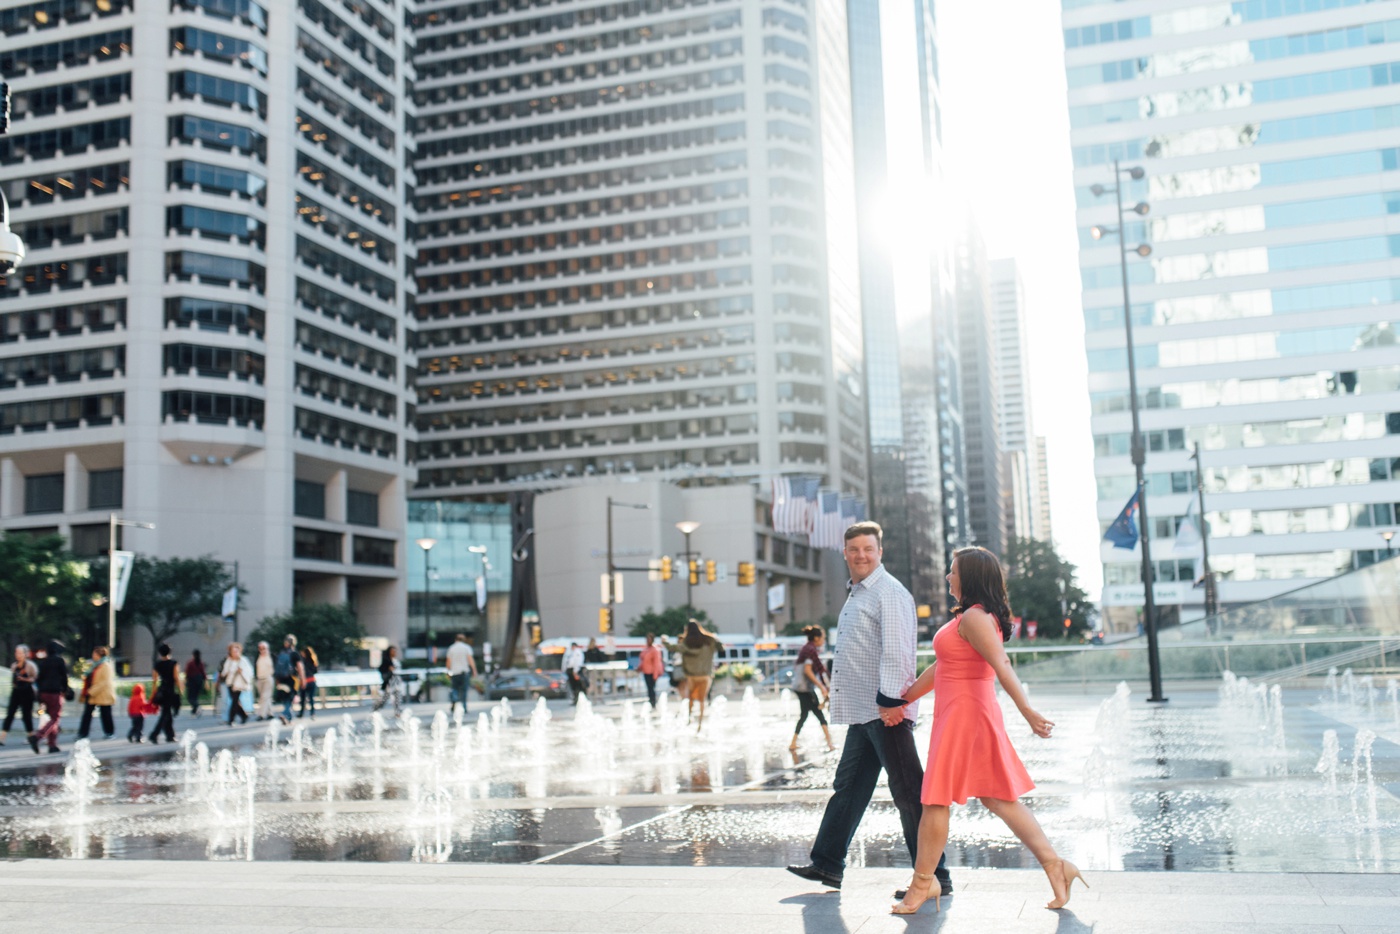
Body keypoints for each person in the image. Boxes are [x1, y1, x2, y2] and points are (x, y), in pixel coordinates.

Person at [891, 547, 1083, 915]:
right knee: (997, 798)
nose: (948, 577)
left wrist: (1027, 711)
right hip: (963, 715)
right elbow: (944, 665)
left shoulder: (975, 618)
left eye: (953, 572)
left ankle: (922, 883)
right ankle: (1055, 866)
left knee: (936, 799)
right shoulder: (969, 618)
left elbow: (1002, 664)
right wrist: (905, 697)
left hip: (967, 717)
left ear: (971, 578)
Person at [787, 522, 950, 897]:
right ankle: (827, 863)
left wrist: (892, 703)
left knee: (909, 793)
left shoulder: (888, 593)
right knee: (848, 788)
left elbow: (898, 653)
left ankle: (935, 877)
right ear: (844, 553)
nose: (861, 555)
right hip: (864, 711)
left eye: (868, 549)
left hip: (884, 710)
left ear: (880, 552)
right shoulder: (858, 593)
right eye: (854, 549)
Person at [790, 625, 835, 753]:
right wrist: (821, 687)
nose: (824, 641)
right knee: (818, 714)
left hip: (801, 687)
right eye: (823, 638)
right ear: (816, 638)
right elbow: (808, 671)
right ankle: (830, 743)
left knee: (805, 714)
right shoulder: (810, 650)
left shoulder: (808, 649)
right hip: (804, 688)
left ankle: (793, 743)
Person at [677, 619, 723, 731]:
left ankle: (689, 717)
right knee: (702, 699)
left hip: (692, 674)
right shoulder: (708, 640)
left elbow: (677, 649)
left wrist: (665, 642)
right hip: (705, 675)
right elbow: (721, 648)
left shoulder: (686, 642)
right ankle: (700, 723)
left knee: (691, 697)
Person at [31, 641, 70, 754]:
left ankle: (52, 745)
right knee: (55, 718)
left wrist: (38, 694)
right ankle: (38, 737)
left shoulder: (43, 662)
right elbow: (64, 676)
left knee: (51, 718)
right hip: (55, 692)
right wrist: (65, 689)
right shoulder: (59, 661)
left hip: (43, 693)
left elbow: (38, 679)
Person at [0, 644, 38, 745]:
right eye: (17, 653)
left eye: (20, 653)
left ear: (26, 654)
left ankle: (31, 736)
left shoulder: (30, 666)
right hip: (16, 691)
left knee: (26, 715)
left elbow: (34, 679)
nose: (18, 655)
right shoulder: (14, 665)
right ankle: (2, 737)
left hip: (27, 692)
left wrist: (24, 679)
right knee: (10, 714)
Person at [77, 646, 116, 740]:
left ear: (99, 655)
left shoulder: (105, 665)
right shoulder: (95, 665)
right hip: (93, 693)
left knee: (106, 714)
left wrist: (91, 691)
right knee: (87, 714)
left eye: (94, 653)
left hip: (102, 693)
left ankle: (109, 732)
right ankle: (82, 734)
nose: (93, 655)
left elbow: (104, 682)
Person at [148, 643, 182, 744]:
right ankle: (154, 734)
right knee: (165, 714)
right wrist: (180, 689)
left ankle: (170, 735)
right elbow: (176, 677)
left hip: (161, 690)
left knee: (167, 713)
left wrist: (153, 692)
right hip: (170, 690)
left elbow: (154, 680)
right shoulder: (174, 663)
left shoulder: (157, 664)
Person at [218, 643, 252, 726]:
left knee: (234, 701)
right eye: (233, 651)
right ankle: (244, 715)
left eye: (237, 651)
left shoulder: (243, 660)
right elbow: (224, 672)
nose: (235, 653)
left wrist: (241, 672)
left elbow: (249, 672)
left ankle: (231, 719)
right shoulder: (229, 661)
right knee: (235, 701)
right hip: (230, 683)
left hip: (239, 684)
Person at [445, 633, 477, 717]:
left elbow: (448, 662)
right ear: (464, 640)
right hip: (464, 672)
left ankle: (454, 698)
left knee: (454, 688)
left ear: (456, 639)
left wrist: (448, 670)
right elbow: (470, 660)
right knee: (464, 690)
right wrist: (474, 670)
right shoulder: (466, 648)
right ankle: (464, 707)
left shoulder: (451, 648)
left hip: (455, 672)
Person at [274, 635, 304, 725]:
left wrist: (277, 680)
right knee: (290, 697)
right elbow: (299, 667)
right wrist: (302, 679)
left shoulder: (281, 654)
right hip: (292, 679)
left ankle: (289, 717)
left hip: (281, 679)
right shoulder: (295, 654)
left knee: (285, 698)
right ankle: (285, 714)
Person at [372, 645, 404, 716]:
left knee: (397, 697)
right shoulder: (387, 660)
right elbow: (381, 669)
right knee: (385, 697)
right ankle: (376, 710)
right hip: (390, 681)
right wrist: (388, 669)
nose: (394, 652)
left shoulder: (396, 660)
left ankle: (398, 712)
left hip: (397, 681)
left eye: (395, 651)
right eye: (393, 651)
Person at [638, 633, 664, 709]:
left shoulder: (655, 649)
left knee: (651, 688)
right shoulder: (646, 649)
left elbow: (656, 663)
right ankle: (651, 702)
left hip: (652, 672)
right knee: (649, 688)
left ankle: (653, 703)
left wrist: (655, 675)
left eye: (649, 639)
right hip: (646, 671)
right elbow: (643, 660)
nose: (648, 641)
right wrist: (640, 668)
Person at [253, 641, 274, 720]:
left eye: (264, 648)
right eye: (260, 648)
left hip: (268, 678)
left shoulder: (271, 656)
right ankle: (270, 713)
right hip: (259, 679)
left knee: (264, 696)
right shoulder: (258, 657)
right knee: (264, 697)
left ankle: (261, 714)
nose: (262, 650)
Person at [184, 649, 207, 718]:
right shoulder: (201, 663)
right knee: (195, 697)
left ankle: (197, 707)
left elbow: (187, 673)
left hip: (192, 681)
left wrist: (186, 680)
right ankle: (194, 711)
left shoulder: (190, 663)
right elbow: (203, 673)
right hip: (199, 681)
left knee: (190, 697)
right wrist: (205, 682)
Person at [298, 645, 319, 718]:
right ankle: (312, 713)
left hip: (304, 681)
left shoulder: (302, 661)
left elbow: (300, 671)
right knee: (311, 698)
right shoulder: (313, 660)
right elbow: (315, 671)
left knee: (303, 698)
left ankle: (301, 713)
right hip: (312, 680)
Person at [562, 642, 586, 706]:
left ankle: (578, 699)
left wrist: (575, 671)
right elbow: (565, 662)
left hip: (575, 670)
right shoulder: (568, 652)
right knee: (573, 686)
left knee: (577, 686)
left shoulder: (577, 652)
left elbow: (578, 662)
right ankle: (575, 699)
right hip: (569, 670)